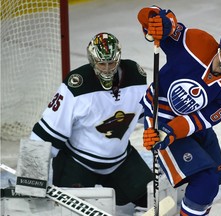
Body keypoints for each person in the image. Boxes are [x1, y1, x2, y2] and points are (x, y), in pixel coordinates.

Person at [138, 5, 221, 216]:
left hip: (182, 127)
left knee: (217, 179)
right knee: (206, 183)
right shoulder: (196, 43)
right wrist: (160, 22)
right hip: (160, 117)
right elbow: (152, 19)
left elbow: (198, 120)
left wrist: (170, 133)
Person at [29, 32, 153, 209]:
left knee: (154, 199)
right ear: (92, 60)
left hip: (120, 160)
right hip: (77, 163)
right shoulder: (77, 86)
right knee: (68, 212)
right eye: (102, 63)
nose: (108, 69)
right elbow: (45, 135)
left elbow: (145, 114)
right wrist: (30, 182)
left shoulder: (135, 75)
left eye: (112, 63)